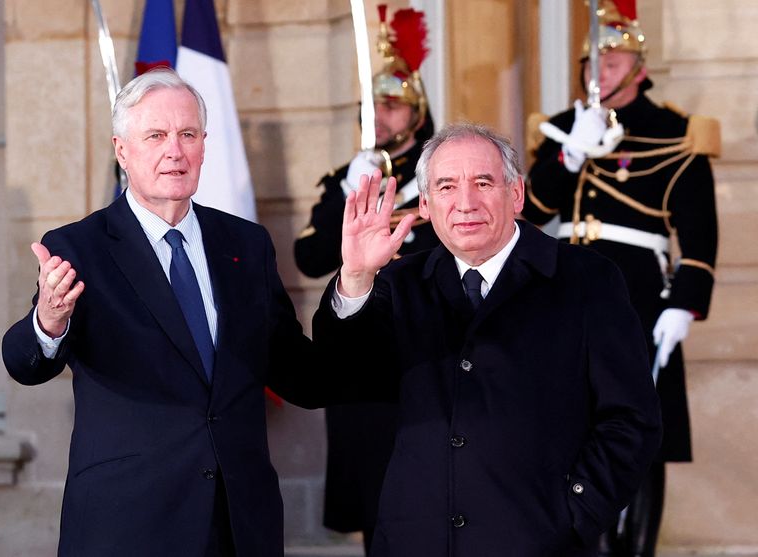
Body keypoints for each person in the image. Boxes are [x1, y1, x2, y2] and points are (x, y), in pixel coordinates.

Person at [1, 68, 319, 557]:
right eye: (156, 135)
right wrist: (49, 320)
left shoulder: (246, 245)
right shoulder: (78, 247)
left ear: (204, 145)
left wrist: (356, 284)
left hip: (238, 525)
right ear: (122, 149)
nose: (175, 150)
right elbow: (25, 363)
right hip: (128, 526)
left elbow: (300, 375)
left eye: (187, 134)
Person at [312, 122, 663, 557]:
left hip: (541, 542)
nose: (465, 203)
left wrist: (576, 510)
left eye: (483, 182)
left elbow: (631, 419)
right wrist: (356, 277)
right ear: (424, 203)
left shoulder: (587, 280)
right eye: (446, 187)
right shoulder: (396, 285)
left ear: (515, 194)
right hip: (414, 541)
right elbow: (333, 376)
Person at [522, 2, 718, 555]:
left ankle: (636, 548)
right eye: (592, 65)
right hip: (562, 294)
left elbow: (699, 236)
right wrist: (572, 153)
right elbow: (530, 212)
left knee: (639, 431)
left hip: (636, 297)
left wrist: (685, 304)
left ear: (638, 67)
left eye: (612, 64)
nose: (598, 75)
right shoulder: (563, 129)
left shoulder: (675, 132)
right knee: (568, 426)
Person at [293, 7, 438, 552]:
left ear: (417, 111)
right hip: (361, 353)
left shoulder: (437, 174)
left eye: (393, 103)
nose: (381, 112)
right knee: (372, 502)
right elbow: (309, 257)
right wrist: (347, 196)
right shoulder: (346, 178)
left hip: (424, 349)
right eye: (374, 103)